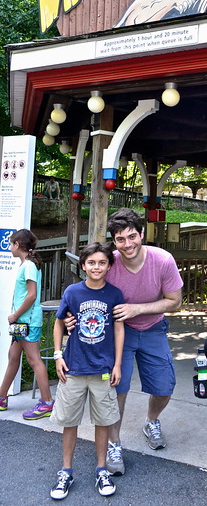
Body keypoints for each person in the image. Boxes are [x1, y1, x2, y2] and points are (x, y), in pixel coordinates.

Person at [64, 208, 183, 476]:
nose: (128, 244)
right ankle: (114, 444)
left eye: (132, 236)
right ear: (114, 242)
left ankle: (151, 421)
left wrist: (136, 309)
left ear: (141, 234)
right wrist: (72, 319)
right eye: (120, 239)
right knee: (117, 388)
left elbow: (175, 301)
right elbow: (86, 293)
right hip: (117, 332)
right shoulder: (110, 263)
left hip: (153, 327)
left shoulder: (162, 260)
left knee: (164, 386)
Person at [50, 242, 125, 501]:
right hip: (73, 368)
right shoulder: (72, 292)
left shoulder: (115, 294)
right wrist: (58, 356)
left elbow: (118, 328)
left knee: (103, 420)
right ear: (83, 265)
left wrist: (117, 364)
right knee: (69, 421)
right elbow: (59, 323)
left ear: (109, 266)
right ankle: (66, 470)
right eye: (91, 262)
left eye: (102, 262)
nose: (96, 267)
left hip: (103, 369)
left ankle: (101, 469)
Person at [0, 229, 55, 419]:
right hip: (22, 323)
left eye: (11, 243)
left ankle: (47, 402)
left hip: (27, 322)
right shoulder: (26, 264)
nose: (9, 247)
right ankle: (1, 397)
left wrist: (15, 315)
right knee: (13, 357)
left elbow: (32, 295)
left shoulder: (29, 266)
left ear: (17, 245)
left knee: (34, 360)